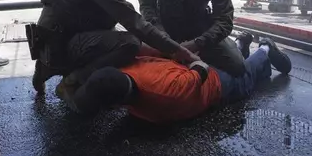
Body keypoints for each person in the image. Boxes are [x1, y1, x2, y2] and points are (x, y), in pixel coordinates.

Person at [30, 0, 200, 107]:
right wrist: (180, 51)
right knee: (129, 43)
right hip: (62, 47)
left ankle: (46, 69)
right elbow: (136, 24)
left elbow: (124, 12)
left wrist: (165, 46)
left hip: (49, 43)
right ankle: (72, 81)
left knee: (114, 33)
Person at [69, 32, 292, 122]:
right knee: (242, 73)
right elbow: (201, 68)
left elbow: (200, 68)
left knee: (239, 70)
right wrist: (190, 58)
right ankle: (255, 47)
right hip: (207, 79)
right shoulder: (163, 90)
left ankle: (252, 47)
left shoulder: (157, 95)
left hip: (197, 74)